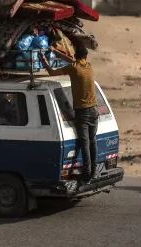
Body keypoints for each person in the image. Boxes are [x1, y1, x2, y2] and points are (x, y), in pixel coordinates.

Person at [40, 42, 98, 183]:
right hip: (94, 110)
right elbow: (72, 61)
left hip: (82, 112)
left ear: (76, 55)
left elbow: (52, 73)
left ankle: (87, 173)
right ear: (85, 56)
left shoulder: (73, 68)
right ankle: (94, 171)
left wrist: (44, 61)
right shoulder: (88, 67)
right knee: (92, 141)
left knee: (84, 143)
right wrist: (56, 51)